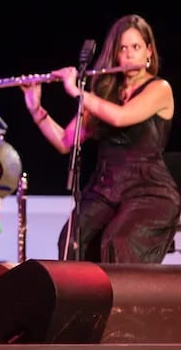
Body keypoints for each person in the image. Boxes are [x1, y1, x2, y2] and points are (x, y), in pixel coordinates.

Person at [20, 14, 179, 263]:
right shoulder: (103, 95)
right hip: (105, 188)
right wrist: (35, 109)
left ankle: (124, 292)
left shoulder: (160, 89)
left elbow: (120, 117)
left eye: (136, 47)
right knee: (71, 240)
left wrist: (76, 91)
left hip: (148, 190)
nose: (129, 55)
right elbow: (65, 141)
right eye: (122, 49)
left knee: (119, 241)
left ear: (149, 51)